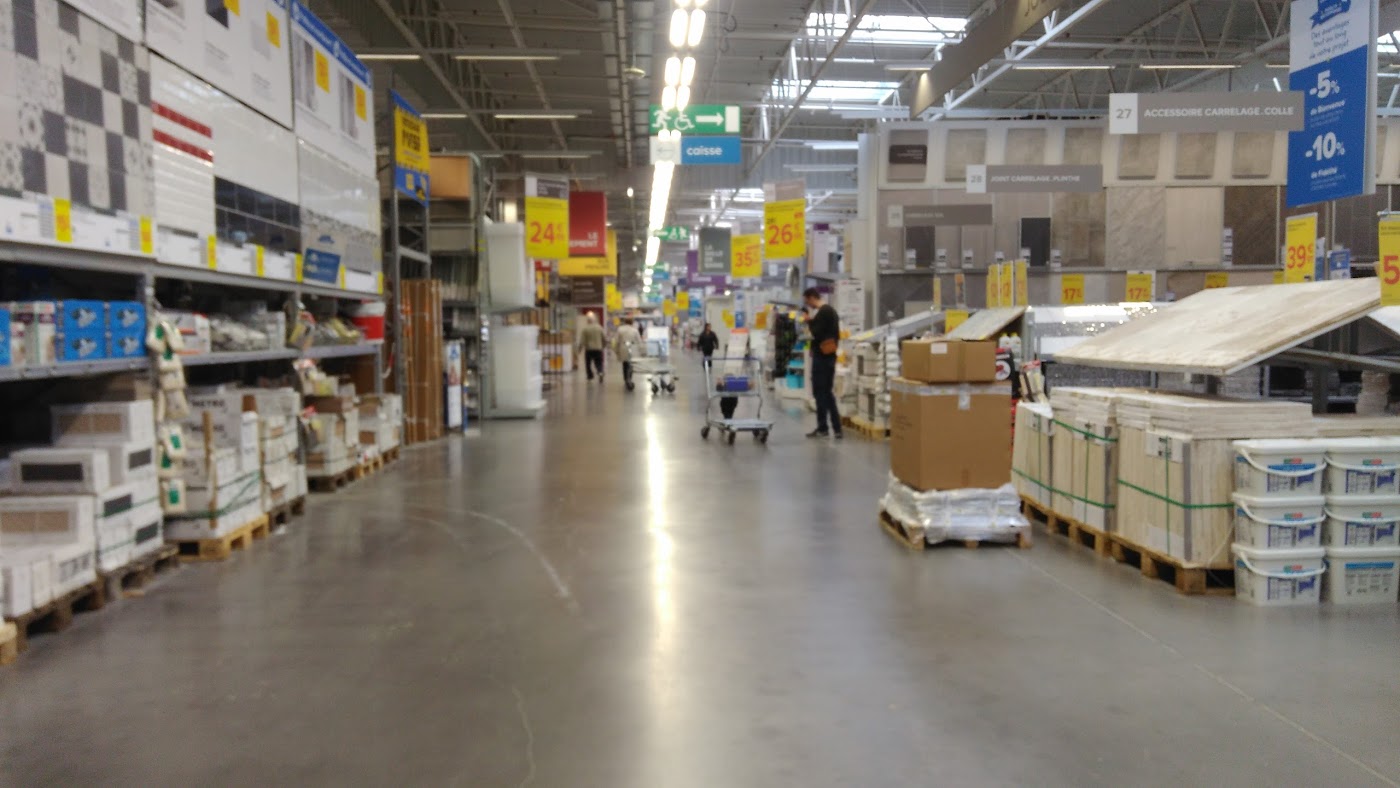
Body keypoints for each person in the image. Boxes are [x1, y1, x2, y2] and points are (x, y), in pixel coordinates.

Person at [803, 287, 842, 439]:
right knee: (827, 392)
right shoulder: (830, 311)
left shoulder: (824, 311)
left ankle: (823, 428)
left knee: (820, 392)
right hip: (829, 357)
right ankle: (835, 428)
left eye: (807, 301)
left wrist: (809, 322)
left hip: (822, 358)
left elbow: (817, 332)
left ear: (812, 297)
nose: (808, 304)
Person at [614, 317, 643, 391]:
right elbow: (639, 341)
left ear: (625, 322)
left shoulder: (620, 329)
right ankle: (629, 378)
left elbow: (616, 341)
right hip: (632, 349)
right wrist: (641, 350)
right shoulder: (635, 330)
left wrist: (616, 350)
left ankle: (626, 379)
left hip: (623, 348)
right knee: (631, 364)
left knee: (625, 364)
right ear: (632, 322)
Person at [577, 313, 606, 382]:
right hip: (598, 348)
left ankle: (590, 375)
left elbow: (582, 340)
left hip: (589, 349)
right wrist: (603, 346)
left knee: (588, 363)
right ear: (594, 320)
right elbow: (604, 338)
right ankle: (600, 371)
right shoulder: (599, 327)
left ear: (588, 321)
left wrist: (579, 349)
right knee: (599, 362)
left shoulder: (585, 329)